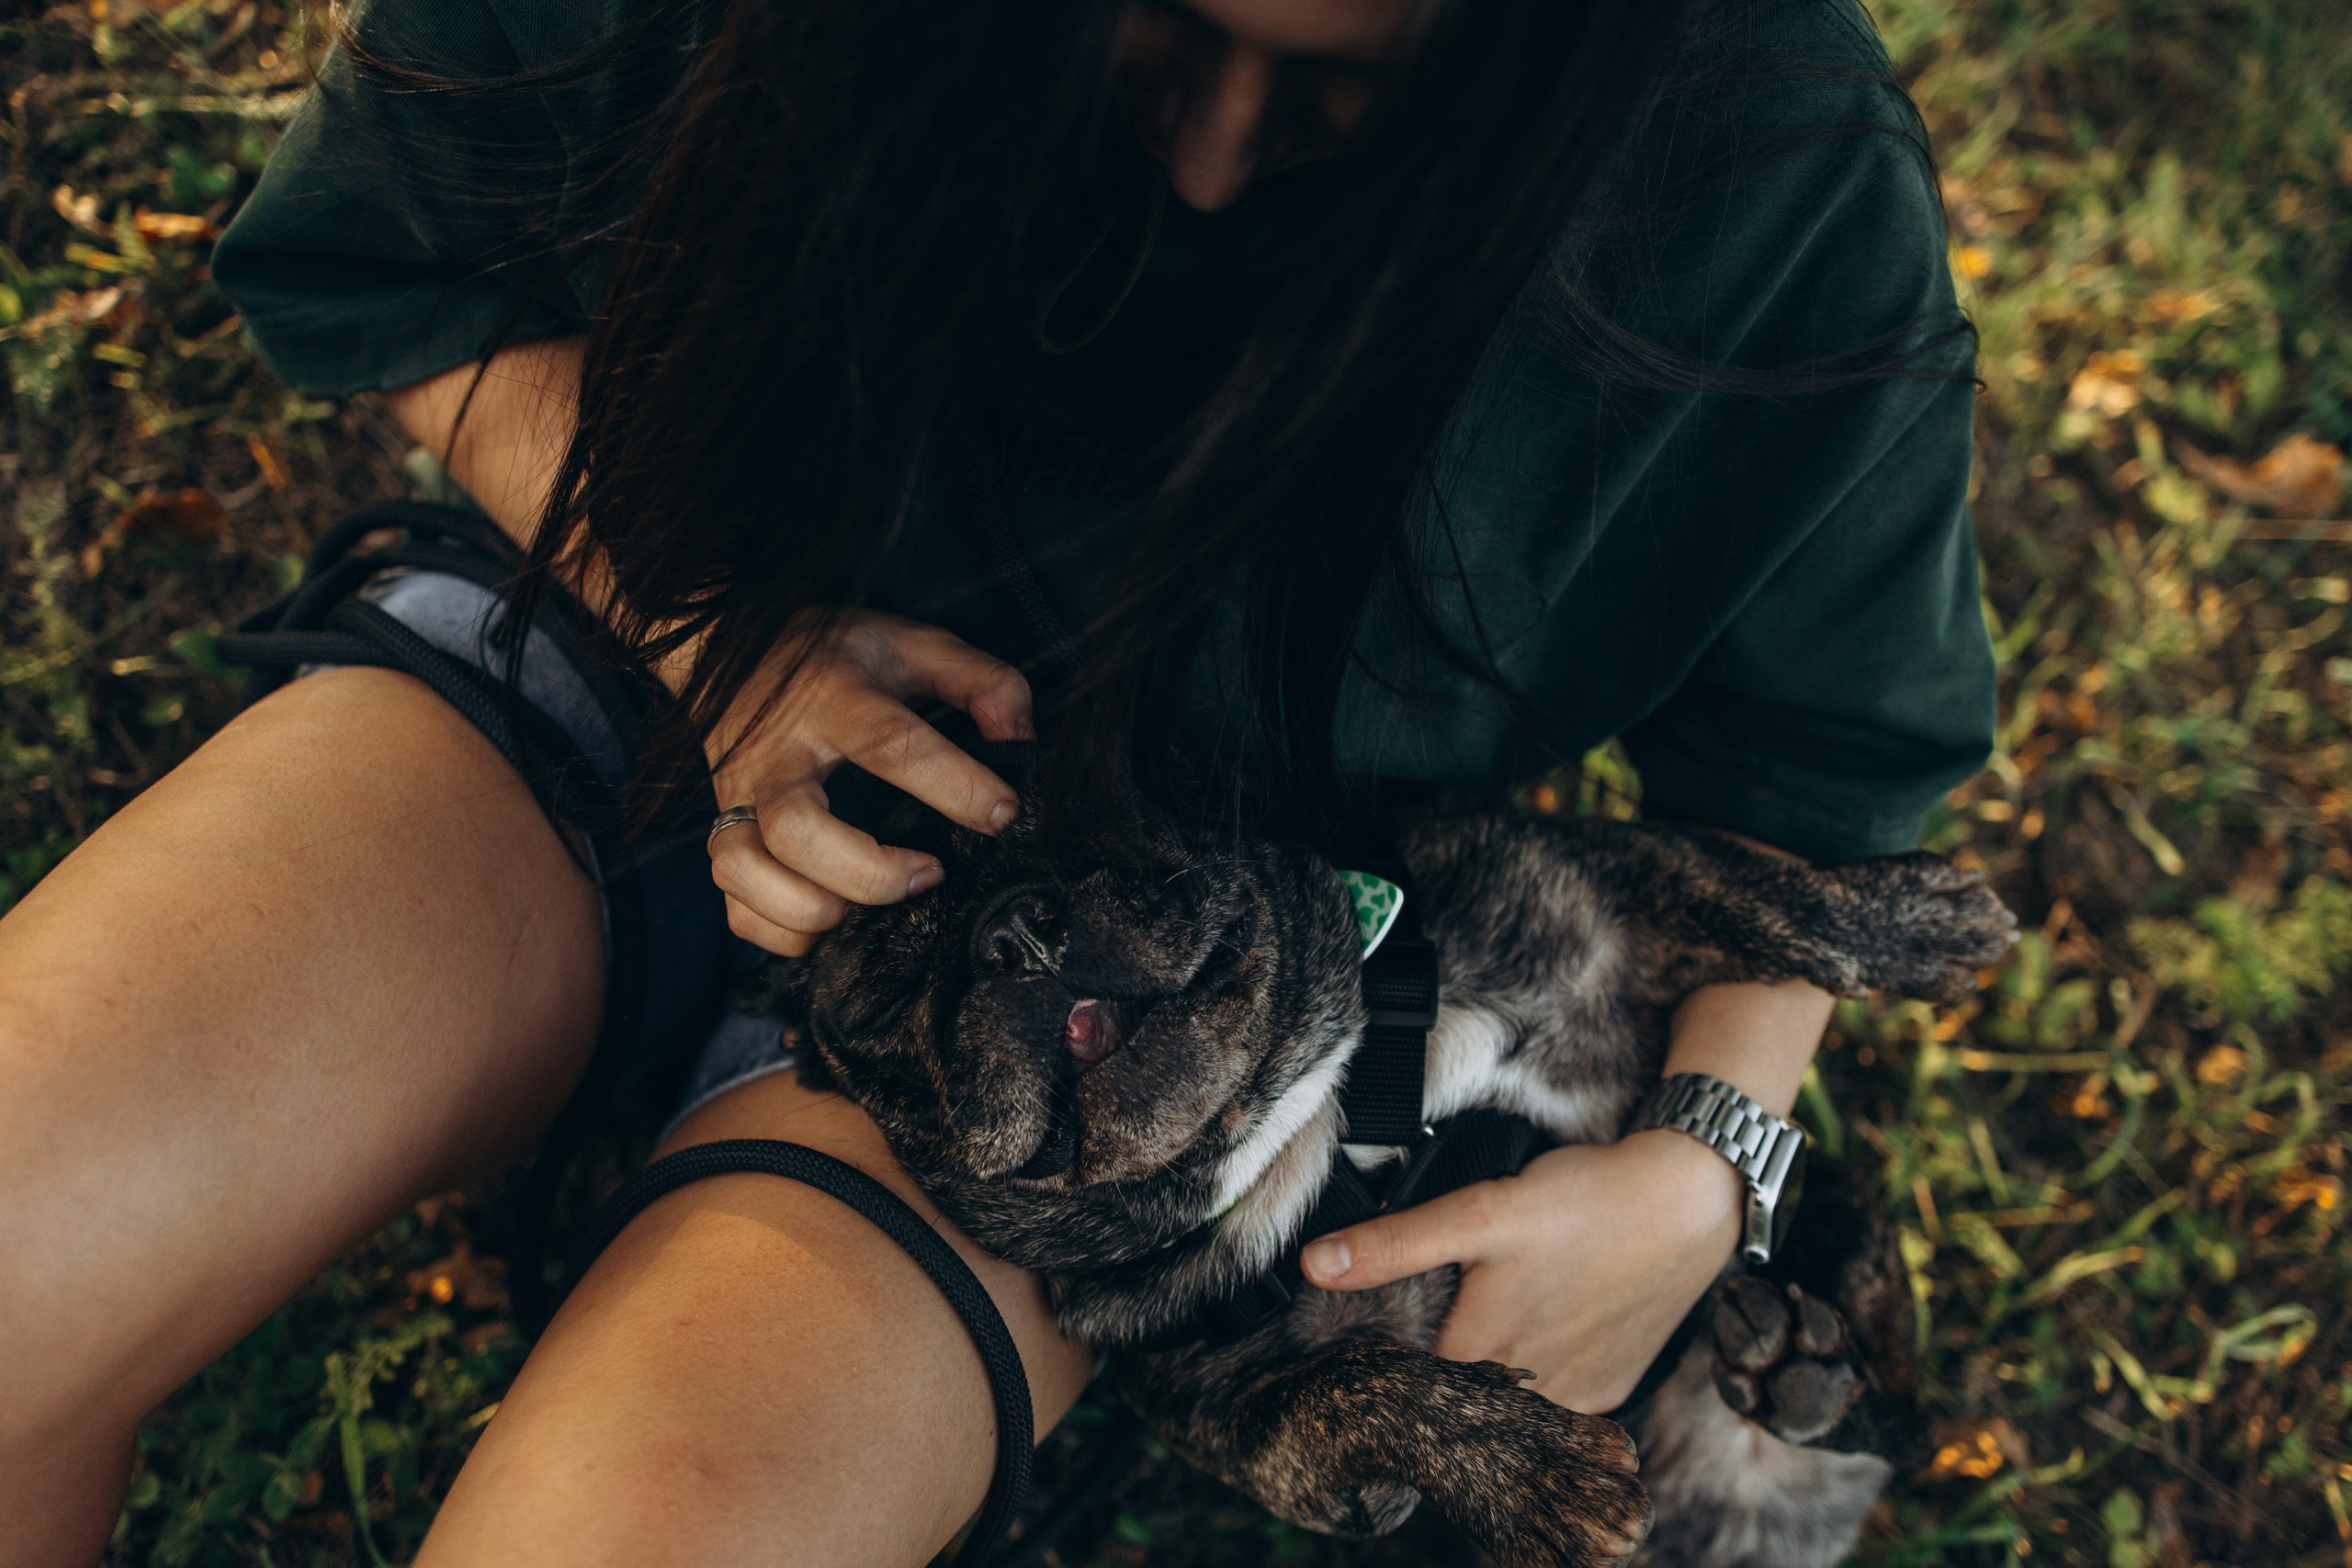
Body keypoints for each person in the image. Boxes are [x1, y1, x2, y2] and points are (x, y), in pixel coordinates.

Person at [0, 0, 1996, 1562]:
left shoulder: (1760, 166)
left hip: (1127, 1058)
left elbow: (1820, 765)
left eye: (1331, 107)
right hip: (606, 697)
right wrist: (729, 642)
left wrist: (1703, 1162)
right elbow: (410, 278)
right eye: (1131, 30)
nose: (1208, 162)